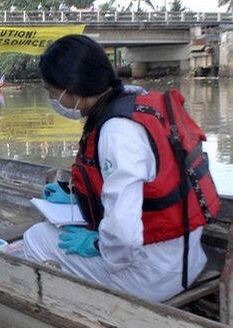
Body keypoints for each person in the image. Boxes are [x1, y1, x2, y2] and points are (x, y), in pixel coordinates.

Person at [22, 35, 220, 302]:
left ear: (71, 88)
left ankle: (88, 312)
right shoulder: (136, 100)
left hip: (155, 276)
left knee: (35, 239)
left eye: (51, 91)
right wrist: (76, 198)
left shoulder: (116, 133)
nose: (52, 99)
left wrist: (96, 243)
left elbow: (123, 238)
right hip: (188, 256)